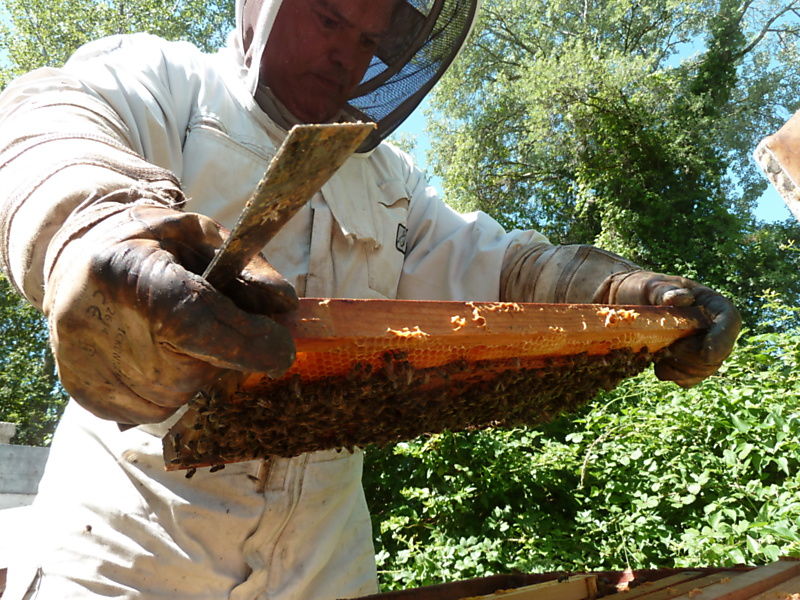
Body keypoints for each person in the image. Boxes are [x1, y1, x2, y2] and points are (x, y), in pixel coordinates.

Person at [0, 0, 740, 598]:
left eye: (370, 41)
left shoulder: (390, 181)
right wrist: (96, 226)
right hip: (125, 563)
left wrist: (630, 293)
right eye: (328, 20)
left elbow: (496, 270)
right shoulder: (167, 82)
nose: (348, 55)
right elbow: (44, 127)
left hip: (325, 571)